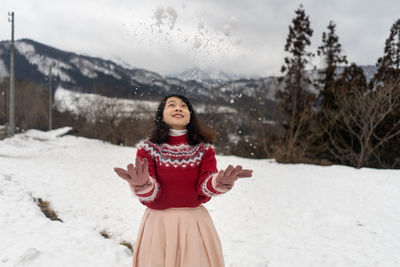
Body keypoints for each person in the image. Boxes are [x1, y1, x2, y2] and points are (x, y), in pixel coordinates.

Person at [114, 94, 253, 267]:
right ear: (161, 115)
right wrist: (142, 185)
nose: (178, 108)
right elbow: (150, 189)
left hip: (194, 225)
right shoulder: (148, 149)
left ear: (190, 115)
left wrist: (219, 182)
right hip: (159, 225)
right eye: (171, 105)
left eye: (184, 106)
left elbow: (205, 184)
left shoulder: (204, 149)